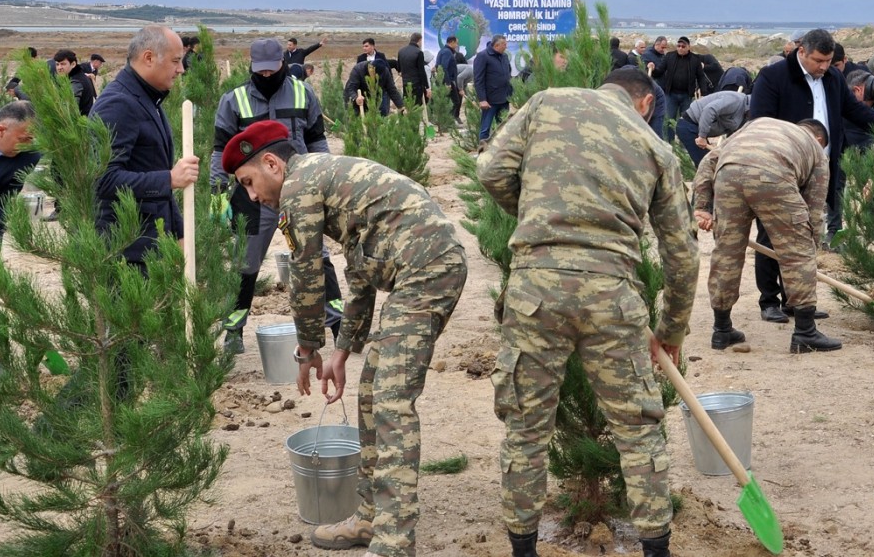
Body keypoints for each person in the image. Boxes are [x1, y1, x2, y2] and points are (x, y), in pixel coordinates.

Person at [477, 68, 698, 557]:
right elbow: (682, 254)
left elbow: (490, 171)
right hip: (613, 296)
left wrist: (537, 215)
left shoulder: (545, 102)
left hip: (537, 289)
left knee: (527, 429)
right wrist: (671, 330)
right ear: (645, 103)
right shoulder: (656, 146)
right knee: (638, 432)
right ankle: (655, 550)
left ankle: (523, 550)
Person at [224, 121, 467, 556]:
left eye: (249, 182)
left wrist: (306, 349)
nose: (253, 196)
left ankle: (393, 543)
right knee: (371, 391)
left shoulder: (299, 187)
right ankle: (372, 518)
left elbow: (306, 273)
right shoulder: (324, 179)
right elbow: (360, 271)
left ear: (272, 163)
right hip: (417, 272)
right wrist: (342, 351)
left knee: (392, 404)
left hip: (427, 271)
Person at [210, 38, 344, 355]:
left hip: (300, 192)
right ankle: (234, 330)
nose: (267, 76)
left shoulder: (303, 92)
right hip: (252, 195)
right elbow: (219, 151)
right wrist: (217, 192)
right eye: (261, 71)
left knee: (317, 257)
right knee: (245, 262)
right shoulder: (234, 100)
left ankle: (338, 323)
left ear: (283, 63)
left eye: (273, 70)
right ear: (251, 66)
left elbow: (316, 141)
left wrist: (326, 178)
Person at [751, 28, 874, 306]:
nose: (824, 67)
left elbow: (853, 110)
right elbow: (760, 124)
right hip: (781, 169)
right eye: (818, 61)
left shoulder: (832, 78)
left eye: (828, 61)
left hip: (818, 171)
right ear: (801, 51)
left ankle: (797, 302)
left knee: (805, 237)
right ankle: (769, 301)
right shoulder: (773, 77)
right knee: (771, 233)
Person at [693, 117, 838, 353]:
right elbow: (814, 210)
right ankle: (805, 333)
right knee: (797, 253)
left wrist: (701, 206)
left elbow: (707, 163)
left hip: (729, 173)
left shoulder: (754, 126)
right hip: (774, 174)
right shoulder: (816, 152)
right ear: (819, 139)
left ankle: (722, 330)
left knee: (726, 254)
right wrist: (807, 248)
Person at [92, 27, 198, 269]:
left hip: (153, 245)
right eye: (175, 61)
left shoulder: (149, 99)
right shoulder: (119, 103)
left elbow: (152, 171)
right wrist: (169, 178)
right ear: (149, 58)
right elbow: (103, 180)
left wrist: (179, 233)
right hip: (128, 252)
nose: (181, 69)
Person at [0, 101, 40, 270]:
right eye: (24, 139)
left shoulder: (29, 156)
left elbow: (3, 203)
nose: (28, 145)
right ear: (1, 130)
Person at [674, 88, 750, 166]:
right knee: (706, 165)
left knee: (712, 163)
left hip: (698, 130)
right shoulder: (736, 101)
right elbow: (709, 110)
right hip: (689, 126)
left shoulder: (745, 114)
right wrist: (702, 136)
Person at [655, 37, 711, 140]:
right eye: (678, 46)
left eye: (683, 46)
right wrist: (652, 68)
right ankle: (668, 142)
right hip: (670, 94)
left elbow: (701, 77)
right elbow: (660, 71)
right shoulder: (669, 56)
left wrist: (703, 93)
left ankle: (684, 144)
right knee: (668, 120)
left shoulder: (695, 59)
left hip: (687, 95)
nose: (680, 48)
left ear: (688, 47)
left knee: (686, 121)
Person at [473, 34, 513, 143]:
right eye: (504, 44)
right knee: (486, 128)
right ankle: (482, 152)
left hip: (504, 98)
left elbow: (508, 74)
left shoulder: (504, 56)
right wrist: (482, 99)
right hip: (490, 101)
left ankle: (500, 150)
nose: (506, 46)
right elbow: (478, 79)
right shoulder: (483, 56)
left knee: (504, 127)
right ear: (496, 45)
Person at [52, 49, 96, 116]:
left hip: (79, 124)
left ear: (73, 64)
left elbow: (70, 109)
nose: (59, 67)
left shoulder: (76, 82)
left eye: (63, 64)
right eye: (57, 64)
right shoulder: (78, 76)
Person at [434, 35, 467, 122]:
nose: (457, 45)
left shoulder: (443, 51)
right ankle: (449, 122)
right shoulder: (447, 52)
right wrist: (448, 83)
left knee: (449, 101)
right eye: (456, 43)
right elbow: (443, 67)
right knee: (455, 101)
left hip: (445, 80)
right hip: (447, 81)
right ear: (451, 42)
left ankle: (446, 122)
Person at [396, 32, 430, 106]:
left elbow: (399, 68)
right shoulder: (419, 52)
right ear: (419, 40)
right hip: (416, 84)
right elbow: (422, 71)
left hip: (405, 83)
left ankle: (404, 117)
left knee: (407, 104)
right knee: (416, 105)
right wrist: (427, 87)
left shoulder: (401, 51)